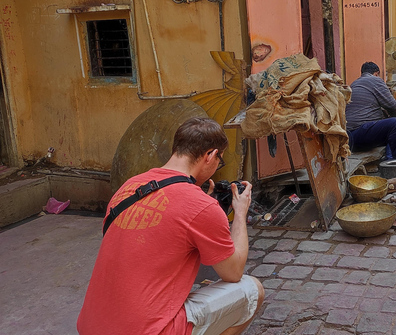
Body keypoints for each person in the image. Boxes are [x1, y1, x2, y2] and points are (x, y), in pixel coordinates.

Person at [78, 117, 264, 335]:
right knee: (253, 290)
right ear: (210, 156)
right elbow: (233, 272)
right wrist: (240, 213)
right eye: (219, 161)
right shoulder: (201, 206)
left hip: (91, 327)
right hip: (149, 331)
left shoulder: (129, 187)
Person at [345, 61, 396, 160]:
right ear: (376, 73)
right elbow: (393, 106)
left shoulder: (354, 84)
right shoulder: (375, 80)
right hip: (359, 134)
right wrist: (395, 117)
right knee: (395, 124)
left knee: (391, 132)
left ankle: (389, 160)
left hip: (350, 138)